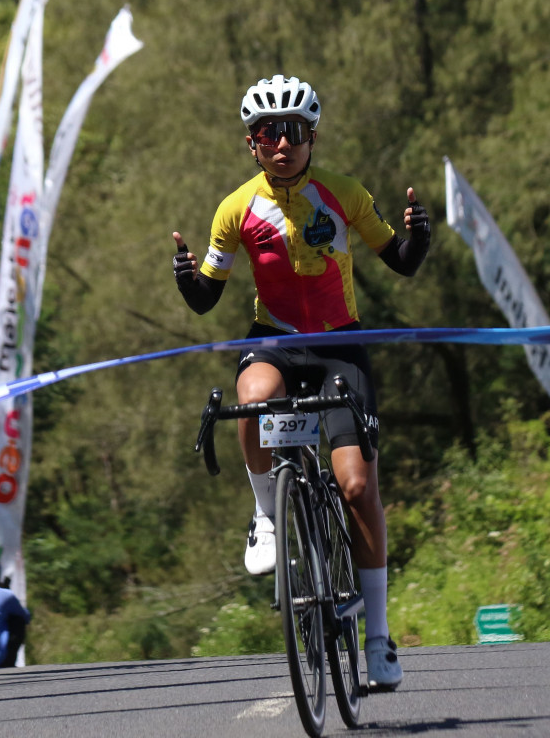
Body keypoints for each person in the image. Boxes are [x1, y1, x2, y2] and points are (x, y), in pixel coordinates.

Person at [171, 74, 430, 690]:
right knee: (253, 397)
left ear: (312, 137)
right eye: (269, 133)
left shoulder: (346, 194)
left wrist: (419, 236)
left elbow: (399, 262)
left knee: (357, 485)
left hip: (341, 345)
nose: (282, 143)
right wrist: (185, 275)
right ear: (252, 143)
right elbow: (207, 298)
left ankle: (377, 638)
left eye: (293, 131)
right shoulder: (235, 209)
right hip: (276, 341)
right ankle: (266, 514)